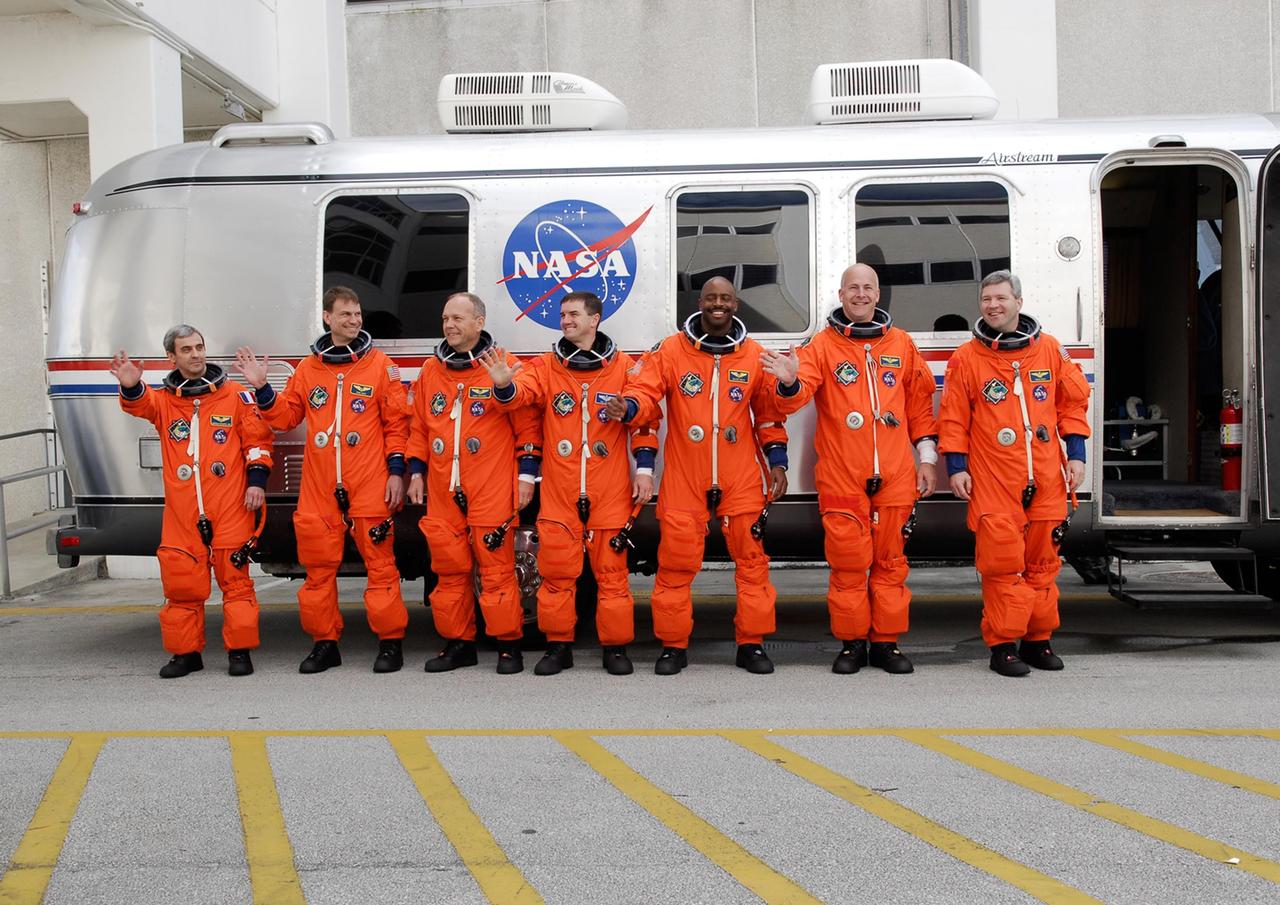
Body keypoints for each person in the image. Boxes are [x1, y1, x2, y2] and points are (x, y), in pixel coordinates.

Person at [606, 277, 789, 675]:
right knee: (674, 566)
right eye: (710, 298)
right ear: (700, 303)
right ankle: (673, 646)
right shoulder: (672, 351)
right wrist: (630, 407)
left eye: (725, 298)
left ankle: (752, 644)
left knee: (753, 564)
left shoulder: (754, 356)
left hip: (740, 476)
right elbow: (645, 390)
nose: (717, 304)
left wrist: (778, 462)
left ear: (735, 305)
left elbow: (770, 416)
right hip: (686, 478)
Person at [762, 263, 938, 674]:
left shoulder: (901, 345)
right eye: (852, 288)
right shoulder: (822, 346)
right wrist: (788, 381)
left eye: (868, 288)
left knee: (891, 563)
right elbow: (794, 395)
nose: (860, 294)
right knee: (847, 564)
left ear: (878, 295)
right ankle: (852, 643)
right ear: (840, 296)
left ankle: (887, 644)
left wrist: (927, 459)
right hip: (842, 473)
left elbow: (919, 409)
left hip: (895, 473)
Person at [482, 291, 659, 676]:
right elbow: (521, 396)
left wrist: (642, 463)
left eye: (573, 314)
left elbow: (646, 410)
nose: (565, 320)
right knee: (557, 574)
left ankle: (614, 648)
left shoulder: (623, 367)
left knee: (612, 576)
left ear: (595, 319)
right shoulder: (547, 366)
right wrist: (503, 387)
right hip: (561, 491)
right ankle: (558, 646)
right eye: (562, 314)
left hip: (608, 489)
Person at [235, 286, 410, 674]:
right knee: (317, 571)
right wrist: (262, 388)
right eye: (345, 314)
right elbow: (284, 419)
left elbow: (397, 425)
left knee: (381, 566)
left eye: (358, 314)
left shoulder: (381, 366)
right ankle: (325, 644)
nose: (354, 320)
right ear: (327, 318)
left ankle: (390, 643)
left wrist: (396, 473)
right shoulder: (308, 369)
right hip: (319, 488)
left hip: (369, 481)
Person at [937, 270, 1091, 677]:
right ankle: (1003, 646)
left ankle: (1039, 641)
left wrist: (1077, 455)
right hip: (992, 479)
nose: (993, 305)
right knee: (1002, 565)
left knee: (1043, 564)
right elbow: (953, 419)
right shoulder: (968, 358)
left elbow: (1072, 405)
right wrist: (956, 468)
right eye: (986, 299)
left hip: (1045, 476)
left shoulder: (1050, 351)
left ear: (1018, 303)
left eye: (1001, 298)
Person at [112, 325, 274, 678]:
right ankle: (187, 654)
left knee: (236, 583)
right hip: (183, 513)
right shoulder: (165, 402)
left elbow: (258, 442)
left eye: (199, 347)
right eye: (186, 350)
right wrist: (129, 384)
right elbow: (140, 404)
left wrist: (257, 482)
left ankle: (239, 652)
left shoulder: (234, 397)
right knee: (182, 586)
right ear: (172, 357)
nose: (196, 354)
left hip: (230, 506)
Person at [405, 292, 540, 674]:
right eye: (446, 318)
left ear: (479, 322)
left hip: (491, 486)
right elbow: (419, 426)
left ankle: (509, 646)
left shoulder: (503, 365)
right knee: (449, 571)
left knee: (497, 570)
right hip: (444, 488)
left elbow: (527, 427)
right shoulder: (432, 371)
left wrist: (527, 476)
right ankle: (458, 643)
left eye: (458, 318)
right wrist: (416, 471)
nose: (449, 325)